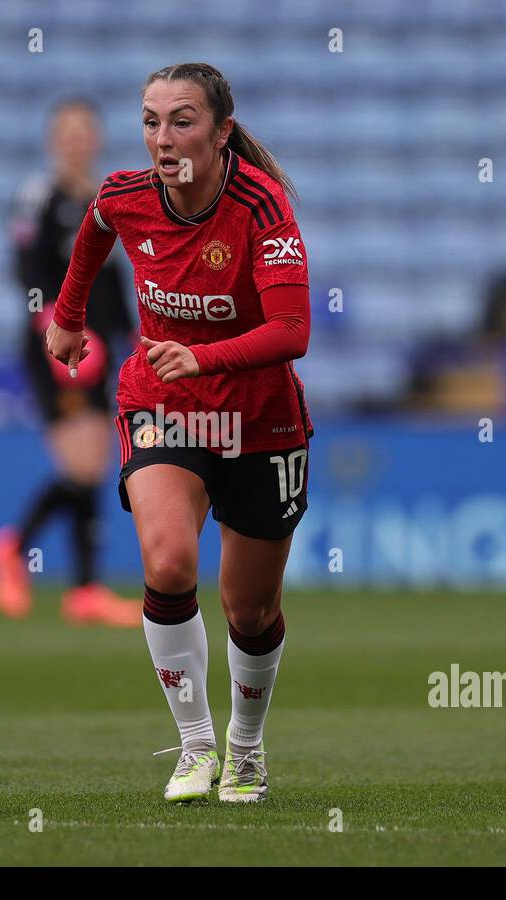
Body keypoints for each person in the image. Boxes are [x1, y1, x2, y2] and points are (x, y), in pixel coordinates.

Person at [44, 63, 313, 803]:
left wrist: (202, 354)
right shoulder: (127, 195)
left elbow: (293, 331)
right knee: (166, 564)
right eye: (150, 121)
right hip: (164, 403)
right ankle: (195, 745)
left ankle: (246, 749)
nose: (163, 139)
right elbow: (96, 230)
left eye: (182, 121)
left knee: (249, 610)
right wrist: (68, 317)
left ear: (222, 132)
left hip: (261, 422)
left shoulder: (263, 208)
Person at [0, 97, 143, 628]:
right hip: (60, 344)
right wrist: (52, 323)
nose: (76, 140)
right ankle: (14, 547)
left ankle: (84, 589)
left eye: (85, 131)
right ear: (54, 140)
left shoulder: (110, 198)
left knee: (93, 467)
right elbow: (26, 269)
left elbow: (114, 279)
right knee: (80, 465)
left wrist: (133, 337)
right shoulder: (39, 196)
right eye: (67, 131)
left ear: (96, 138)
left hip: (98, 344)